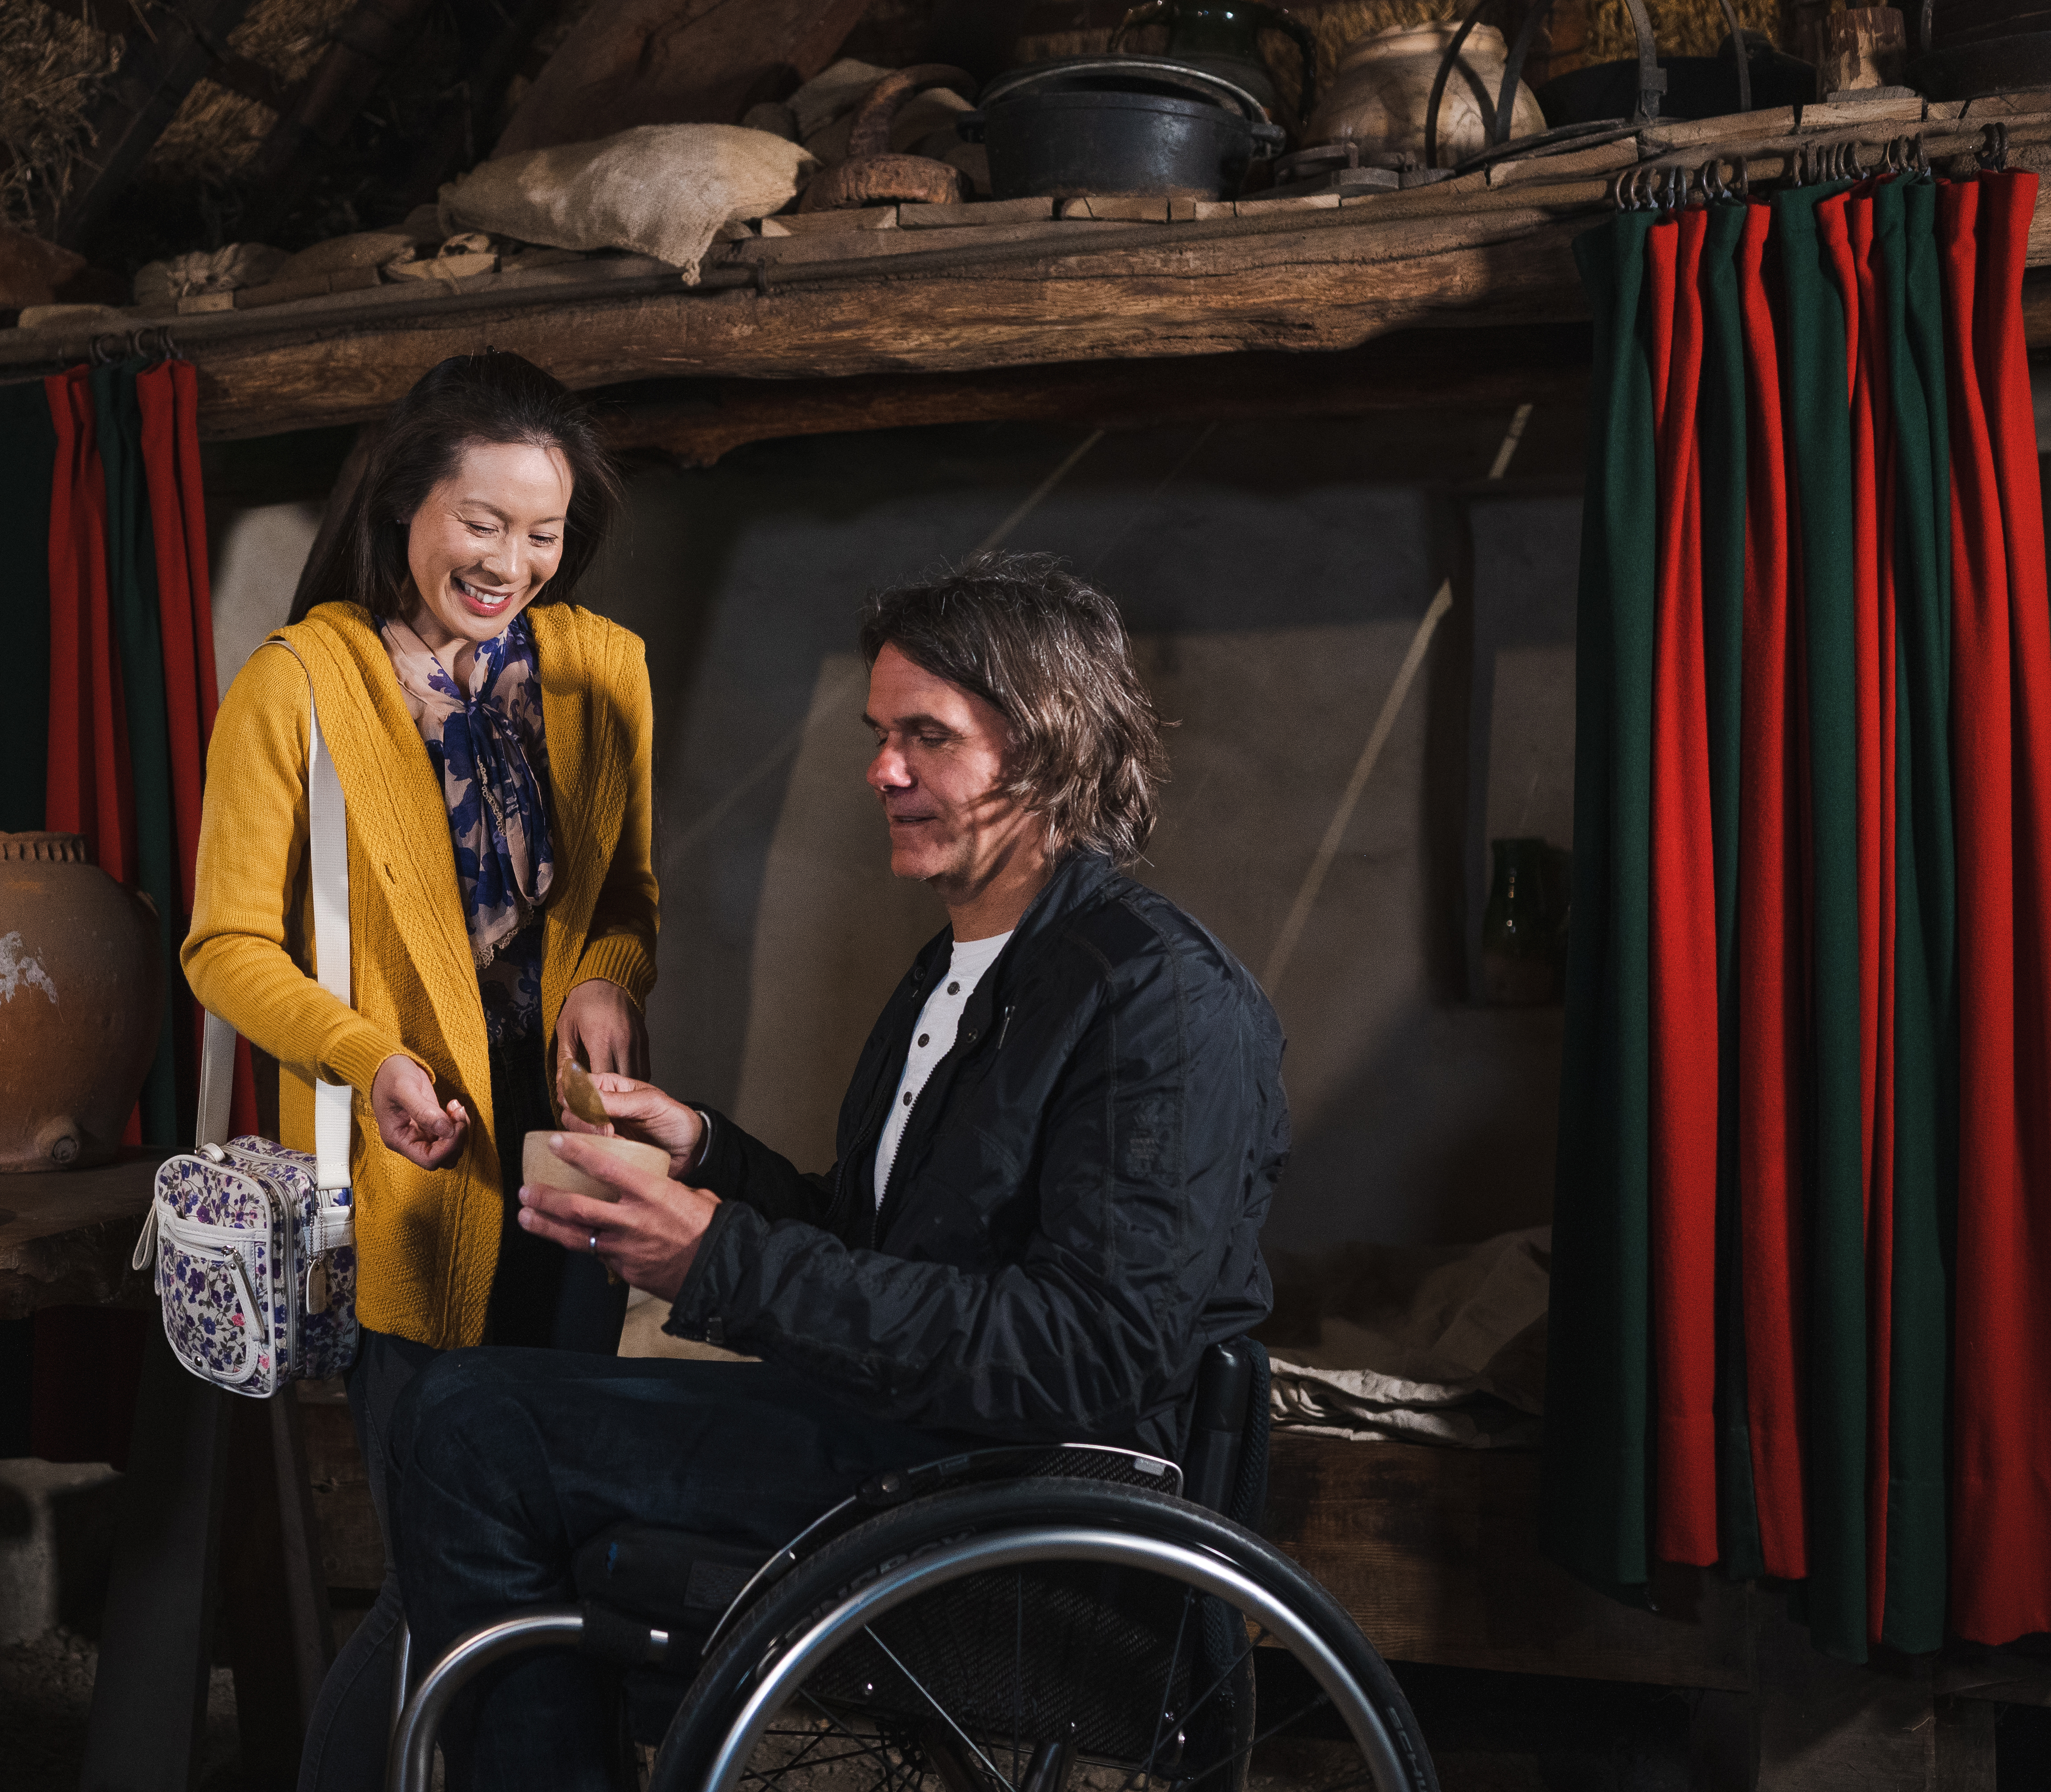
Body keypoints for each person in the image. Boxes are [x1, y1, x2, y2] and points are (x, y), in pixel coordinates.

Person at [379, 551, 1287, 1788]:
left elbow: (1097, 1348)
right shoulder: (957, 973)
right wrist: (707, 1154)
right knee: (486, 1410)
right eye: (879, 734)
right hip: (919, 1445)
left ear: (1053, 749)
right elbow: (882, 1247)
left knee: (473, 1426)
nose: (883, 772)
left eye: (929, 737)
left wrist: (717, 1258)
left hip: (1021, 1502)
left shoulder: (1155, 997)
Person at [180, 351, 657, 1789]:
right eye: (483, 523)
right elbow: (223, 947)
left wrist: (604, 985)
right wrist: (368, 1053)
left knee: (555, 1553)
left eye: (544, 532)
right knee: (439, 1581)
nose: (512, 562)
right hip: (410, 1168)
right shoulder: (301, 685)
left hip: (571, 1173)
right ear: (406, 508)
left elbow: (627, 897)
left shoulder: (600, 673)